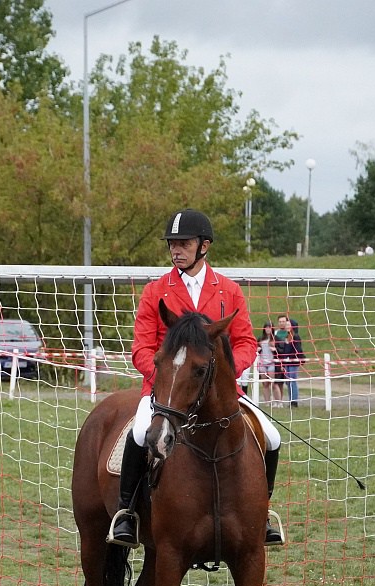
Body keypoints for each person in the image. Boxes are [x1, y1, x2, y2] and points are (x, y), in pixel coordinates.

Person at [110, 209, 284, 548]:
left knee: (273, 437)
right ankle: (126, 512)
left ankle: (261, 513)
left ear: (204, 245)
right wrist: (167, 377)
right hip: (169, 393)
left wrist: (228, 372)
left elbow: (247, 342)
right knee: (140, 432)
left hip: (221, 392)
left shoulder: (229, 291)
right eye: (172, 244)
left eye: (184, 243)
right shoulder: (155, 291)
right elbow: (141, 348)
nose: (176, 250)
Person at [275, 314, 305, 408]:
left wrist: (296, 358)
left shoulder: (295, 337)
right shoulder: (288, 336)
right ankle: (291, 400)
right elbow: (286, 350)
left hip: (293, 362)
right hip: (287, 362)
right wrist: (284, 361)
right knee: (288, 381)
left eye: (288, 325)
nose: (286, 326)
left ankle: (294, 401)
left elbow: (298, 349)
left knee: (292, 380)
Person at [256, 321, 281, 405]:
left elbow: (281, 350)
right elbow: (255, 348)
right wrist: (258, 349)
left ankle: (278, 402)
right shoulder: (260, 339)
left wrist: (275, 349)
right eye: (266, 327)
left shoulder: (276, 338)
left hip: (272, 363)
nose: (268, 329)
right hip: (262, 363)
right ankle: (267, 402)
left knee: (273, 383)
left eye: (269, 327)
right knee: (265, 384)